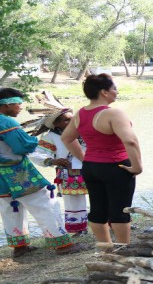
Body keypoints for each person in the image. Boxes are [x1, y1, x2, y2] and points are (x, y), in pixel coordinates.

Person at [0, 88, 88, 257]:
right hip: (17, 172)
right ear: (7, 104)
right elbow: (23, 146)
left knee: (10, 208)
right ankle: (63, 244)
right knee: (45, 204)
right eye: (18, 104)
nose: (20, 108)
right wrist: (33, 140)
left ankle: (20, 247)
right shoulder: (6, 122)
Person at [61, 74, 141, 245]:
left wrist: (85, 159)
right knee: (120, 211)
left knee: (98, 210)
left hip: (91, 167)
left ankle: (106, 250)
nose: (116, 92)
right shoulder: (113, 113)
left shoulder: (81, 113)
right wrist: (137, 166)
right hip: (116, 166)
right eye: (114, 89)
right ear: (104, 92)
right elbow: (130, 141)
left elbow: (66, 138)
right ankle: (122, 250)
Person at [30, 108, 89, 235]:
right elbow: (36, 153)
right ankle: (79, 229)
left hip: (92, 168)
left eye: (73, 118)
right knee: (73, 200)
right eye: (67, 120)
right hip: (69, 172)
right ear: (56, 124)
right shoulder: (51, 136)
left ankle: (109, 222)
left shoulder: (84, 130)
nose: (72, 121)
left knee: (101, 195)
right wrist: (52, 161)